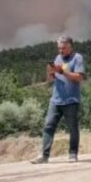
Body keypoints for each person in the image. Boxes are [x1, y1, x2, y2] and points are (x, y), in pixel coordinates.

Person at [31, 36, 86, 164]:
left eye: (63, 48)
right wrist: (50, 72)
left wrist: (62, 71)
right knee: (48, 126)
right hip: (55, 100)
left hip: (71, 100)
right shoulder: (57, 58)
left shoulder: (77, 58)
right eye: (59, 48)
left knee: (72, 128)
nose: (61, 51)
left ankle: (73, 154)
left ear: (71, 46)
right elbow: (51, 80)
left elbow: (79, 77)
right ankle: (44, 156)